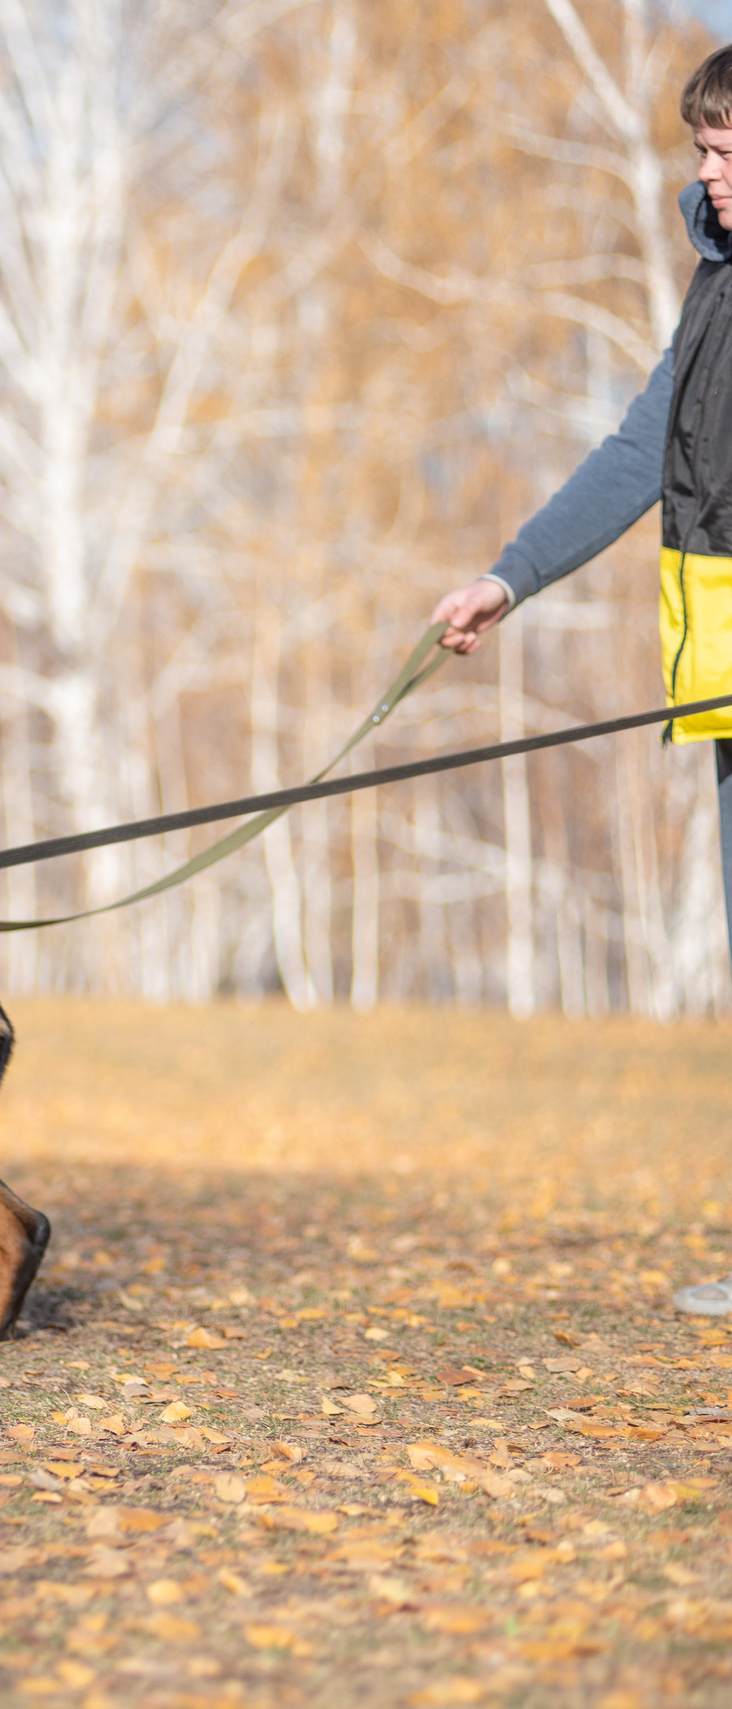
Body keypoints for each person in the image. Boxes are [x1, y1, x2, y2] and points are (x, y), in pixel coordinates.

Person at [428, 45, 732, 1320]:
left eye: (725, 151)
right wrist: (511, 577)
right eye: (702, 153)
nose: (709, 178)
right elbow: (636, 450)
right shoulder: (715, 290)